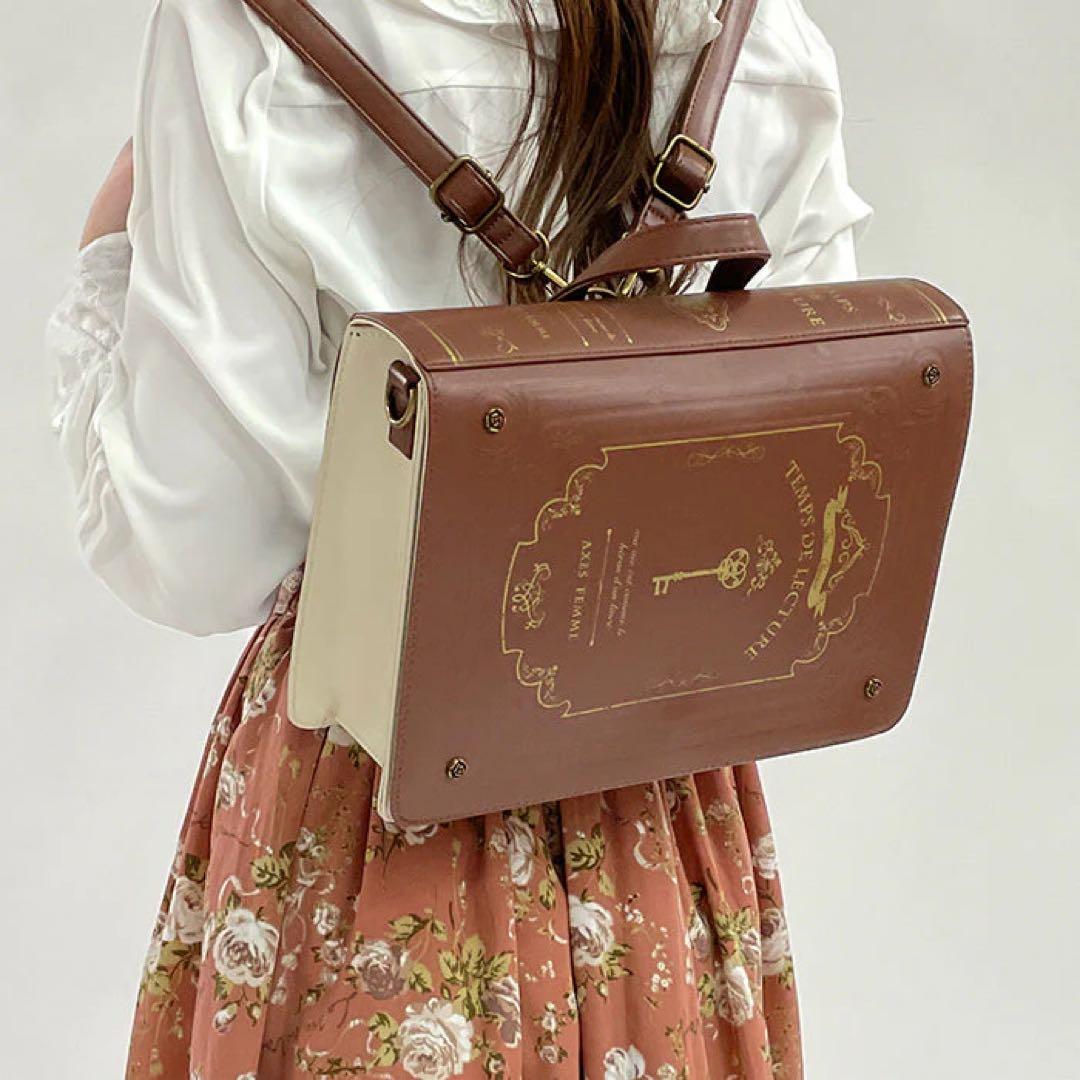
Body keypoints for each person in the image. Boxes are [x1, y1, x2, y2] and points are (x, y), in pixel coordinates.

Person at [47, 0, 871, 1075]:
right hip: (654, 817)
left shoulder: (241, 29)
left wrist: (106, 268)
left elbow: (194, 547)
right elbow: (811, 438)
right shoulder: (762, 35)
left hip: (368, 798)